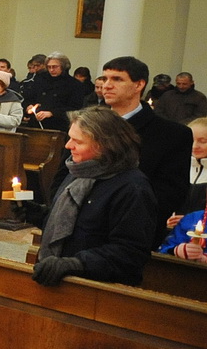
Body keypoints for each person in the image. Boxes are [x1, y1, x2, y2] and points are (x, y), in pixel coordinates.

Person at [31, 108, 157, 287]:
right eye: (70, 138)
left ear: (104, 145)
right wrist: (39, 214)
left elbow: (129, 252)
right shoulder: (79, 171)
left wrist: (76, 264)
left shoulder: (132, 188)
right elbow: (73, 223)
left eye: (77, 141)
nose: (68, 146)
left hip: (98, 290)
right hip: (59, 281)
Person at [92, 56, 192, 244]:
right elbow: (63, 175)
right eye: (105, 79)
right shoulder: (89, 125)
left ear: (139, 84)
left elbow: (170, 193)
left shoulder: (172, 134)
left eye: (117, 79)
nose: (107, 85)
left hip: (132, 234)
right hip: (81, 227)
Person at [25, 52, 82, 128]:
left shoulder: (74, 84)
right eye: (49, 67)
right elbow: (29, 97)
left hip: (59, 125)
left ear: (63, 67)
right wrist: (29, 106)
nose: (51, 70)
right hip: (36, 123)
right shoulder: (40, 80)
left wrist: (52, 113)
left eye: (55, 67)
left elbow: (75, 108)